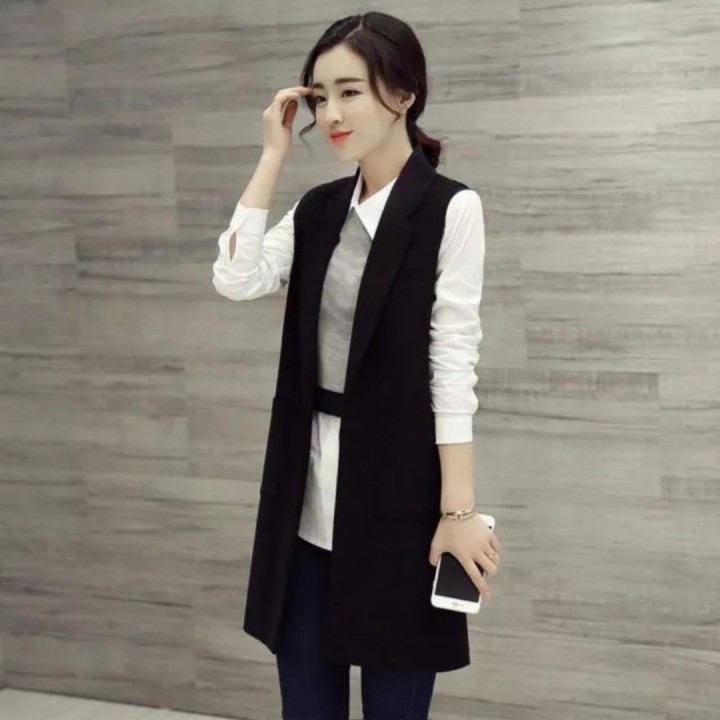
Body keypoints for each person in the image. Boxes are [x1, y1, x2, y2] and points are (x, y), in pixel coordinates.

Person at [212, 11, 502, 720]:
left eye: (350, 92)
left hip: (399, 507)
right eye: (320, 97)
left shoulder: (450, 209)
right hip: (306, 505)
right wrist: (272, 155)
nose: (331, 115)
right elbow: (236, 278)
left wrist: (458, 512)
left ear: (403, 94)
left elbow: (452, 364)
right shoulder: (317, 210)